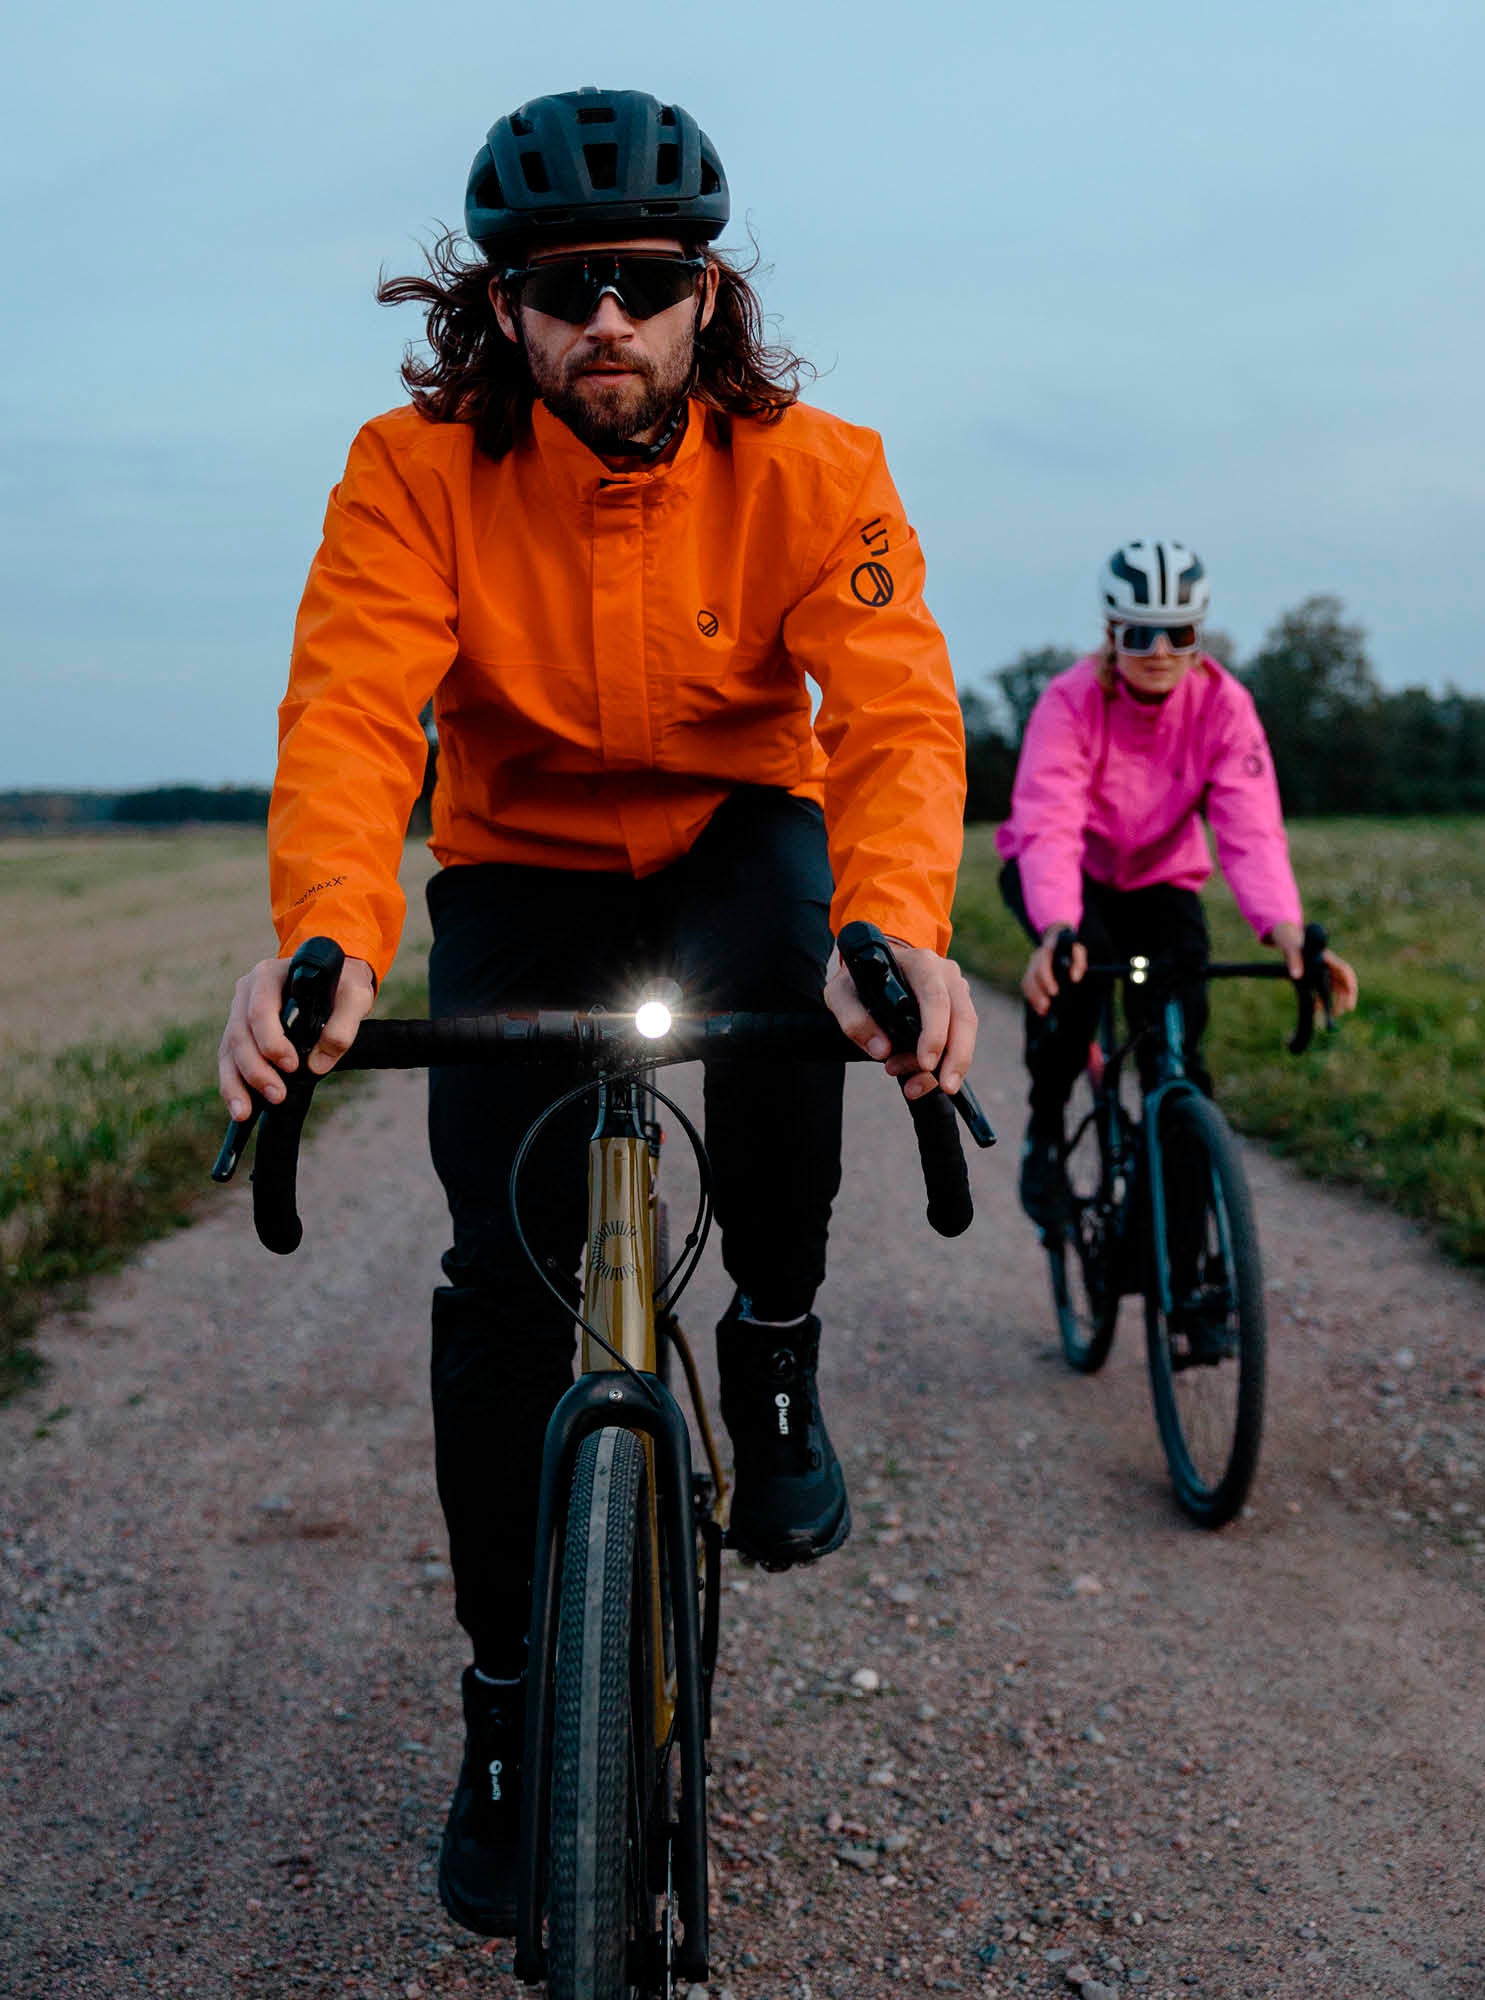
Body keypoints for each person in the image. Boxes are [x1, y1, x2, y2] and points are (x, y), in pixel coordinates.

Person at [216, 87, 974, 1939]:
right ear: (502, 312)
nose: (607, 320)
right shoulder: (410, 473)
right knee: (497, 1280)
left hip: (738, 834)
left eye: (643, 281)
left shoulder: (821, 466)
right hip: (520, 867)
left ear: (707, 296)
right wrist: (323, 939)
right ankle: (501, 1707)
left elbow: (889, 711)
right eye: (566, 290)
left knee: (817, 993)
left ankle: (774, 1342)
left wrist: (901, 929)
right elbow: (349, 715)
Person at [995, 538, 1357, 1226]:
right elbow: (1049, 823)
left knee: (1180, 1052)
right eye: (1138, 633)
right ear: (1110, 632)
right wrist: (1057, 929)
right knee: (1078, 985)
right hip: (1067, 875)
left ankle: (1191, 1283)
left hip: (1160, 877)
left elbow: (1250, 829)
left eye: (1179, 633)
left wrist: (1284, 928)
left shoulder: (1224, 707)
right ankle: (1044, 1136)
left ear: (1199, 635)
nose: (1159, 650)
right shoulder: (1068, 702)